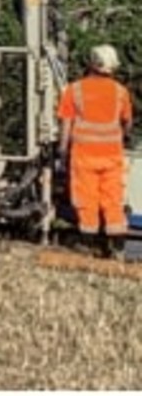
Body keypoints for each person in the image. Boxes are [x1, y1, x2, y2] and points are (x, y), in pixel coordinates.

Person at [57, 44, 133, 256]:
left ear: (91, 62)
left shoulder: (75, 89)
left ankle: (88, 243)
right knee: (113, 198)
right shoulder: (121, 92)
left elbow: (66, 124)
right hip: (111, 155)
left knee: (86, 199)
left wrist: (62, 151)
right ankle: (117, 245)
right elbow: (127, 123)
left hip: (84, 155)